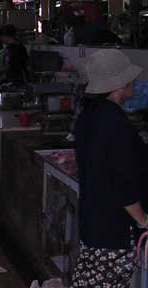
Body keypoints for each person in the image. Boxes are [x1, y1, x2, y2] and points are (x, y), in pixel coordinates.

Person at [72, 49, 147, 287]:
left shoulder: (89, 115)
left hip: (94, 223)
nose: (135, 81)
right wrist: (143, 220)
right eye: (131, 78)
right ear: (120, 85)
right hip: (114, 231)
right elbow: (123, 182)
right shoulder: (115, 122)